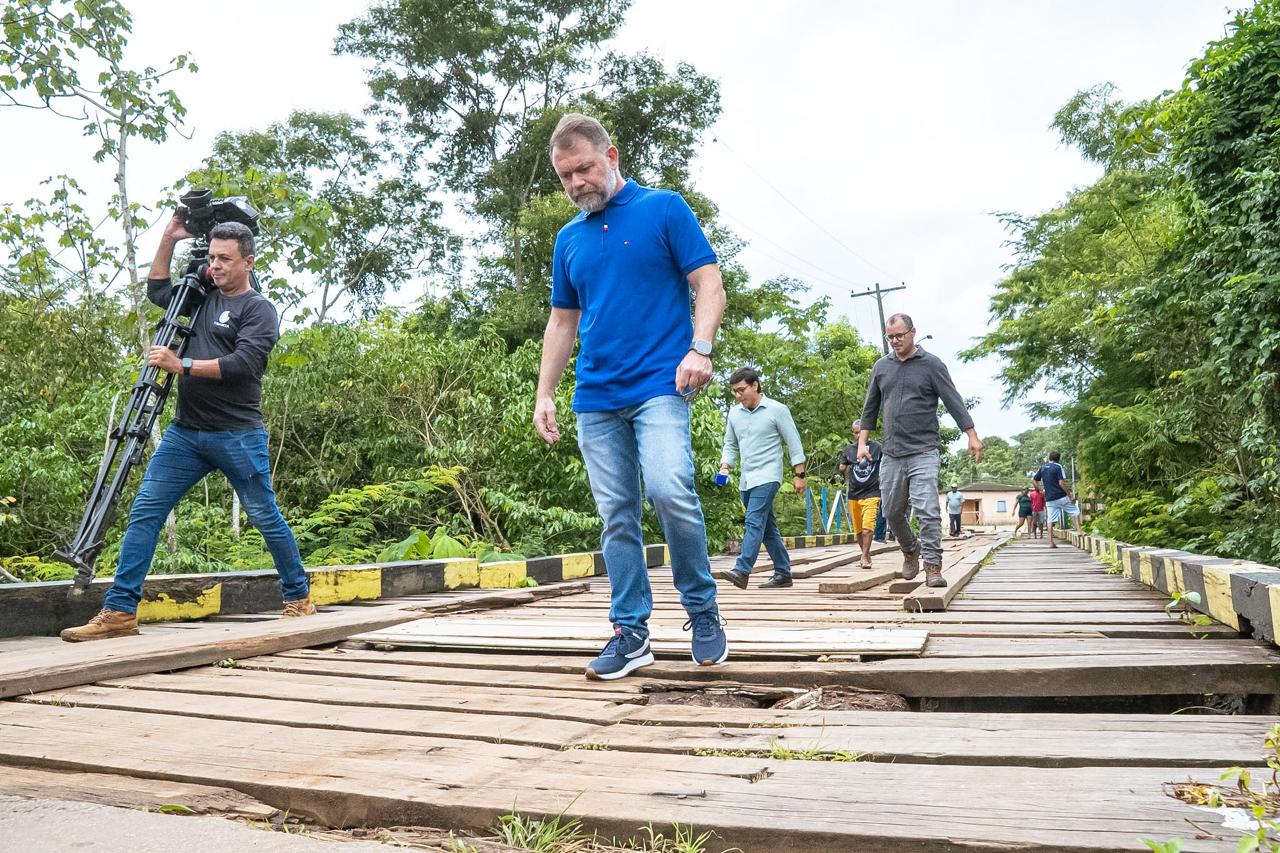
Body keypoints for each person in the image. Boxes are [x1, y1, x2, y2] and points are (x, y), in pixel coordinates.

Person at [534, 113, 728, 680]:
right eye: (565, 177)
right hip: (595, 398)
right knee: (616, 514)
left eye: (585, 169)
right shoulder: (568, 239)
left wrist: (701, 348)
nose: (576, 185)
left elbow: (709, 282)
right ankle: (631, 632)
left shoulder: (663, 208)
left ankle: (701, 609)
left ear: (611, 155)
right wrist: (545, 395)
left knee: (670, 491)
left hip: (659, 387)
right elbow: (562, 321)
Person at [61, 216, 313, 642]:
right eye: (212, 257)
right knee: (145, 512)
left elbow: (244, 364)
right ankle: (120, 612)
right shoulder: (200, 296)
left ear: (248, 262)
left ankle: (298, 597)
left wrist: (184, 365)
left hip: (237, 434)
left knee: (264, 516)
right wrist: (168, 238)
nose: (215, 266)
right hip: (185, 434)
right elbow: (159, 291)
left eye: (225, 259)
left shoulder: (258, 310)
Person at [858, 314, 983, 588]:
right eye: (890, 337)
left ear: (913, 332)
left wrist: (971, 435)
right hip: (891, 452)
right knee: (890, 511)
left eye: (900, 335)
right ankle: (910, 549)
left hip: (924, 450)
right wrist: (862, 443)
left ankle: (933, 566)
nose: (895, 341)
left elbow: (953, 401)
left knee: (927, 510)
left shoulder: (932, 365)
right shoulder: (881, 367)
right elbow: (870, 409)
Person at [715, 368, 806, 589]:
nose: (738, 396)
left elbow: (793, 442)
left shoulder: (777, 410)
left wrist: (799, 474)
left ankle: (742, 570)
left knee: (754, 521)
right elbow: (730, 444)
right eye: (734, 392)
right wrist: (725, 466)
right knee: (767, 528)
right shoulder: (735, 414)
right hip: (747, 479)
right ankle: (783, 572)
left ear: (755, 385)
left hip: (768, 476)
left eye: (741, 390)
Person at [839, 419, 882, 570]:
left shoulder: (877, 447)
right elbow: (842, 465)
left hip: (872, 492)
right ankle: (866, 553)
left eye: (861, 432)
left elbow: (887, 462)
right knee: (858, 530)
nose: (858, 435)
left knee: (867, 528)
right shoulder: (849, 450)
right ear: (853, 433)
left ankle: (863, 557)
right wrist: (841, 468)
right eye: (856, 433)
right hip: (854, 494)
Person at [1034, 451, 1082, 548]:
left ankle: (1051, 542)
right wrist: (1070, 495)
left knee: (1050, 520)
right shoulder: (1058, 467)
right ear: (1058, 458)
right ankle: (1079, 531)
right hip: (1061, 496)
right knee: (1075, 509)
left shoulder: (1043, 467)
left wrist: (1042, 490)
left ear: (1049, 458)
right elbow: (1061, 483)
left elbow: (1034, 480)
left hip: (1049, 498)